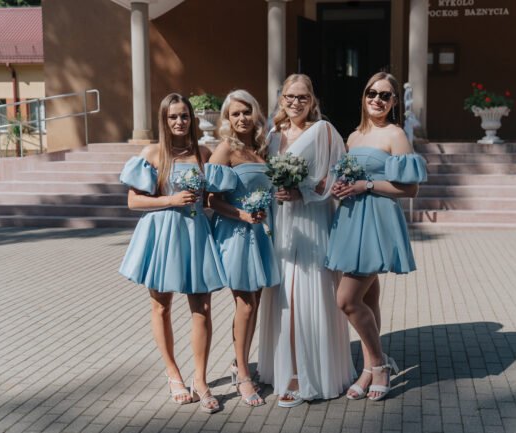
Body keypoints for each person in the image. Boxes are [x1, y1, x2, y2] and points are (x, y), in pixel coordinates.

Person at [118, 93, 225, 414]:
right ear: (164, 120)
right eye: (173, 117)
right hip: (162, 234)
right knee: (161, 306)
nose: (180, 122)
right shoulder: (152, 154)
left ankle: (201, 380)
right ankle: (173, 374)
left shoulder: (204, 154)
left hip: (195, 234)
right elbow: (133, 202)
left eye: (184, 116)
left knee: (202, 307)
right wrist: (170, 200)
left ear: (192, 119)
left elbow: (212, 198)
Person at [325, 72, 427, 400]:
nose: (377, 100)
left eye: (385, 95)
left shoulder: (395, 134)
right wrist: (340, 187)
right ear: (364, 96)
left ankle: (380, 365)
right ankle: (370, 368)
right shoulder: (353, 136)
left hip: (376, 220)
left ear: (395, 102)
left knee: (347, 300)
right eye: (372, 93)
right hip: (350, 219)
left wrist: (365, 185)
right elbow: (345, 177)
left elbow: (410, 188)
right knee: (368, 299)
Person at [258, 74, 355, 407]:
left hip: (312, 221)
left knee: (306, 293)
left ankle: (305, 373)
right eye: (290, 96)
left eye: (302, 97)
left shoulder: (324, 131)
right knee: (284, 294)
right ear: (281, 99)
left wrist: (305, 193)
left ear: (312, 100)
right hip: (282, 223)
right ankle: (283, 365)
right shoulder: (272, 135)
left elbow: (338, 174)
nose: (295, 103)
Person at [205, 90, 279, 407]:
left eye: (246, 111)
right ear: (227, 118)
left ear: (255, 114)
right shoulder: (226, 149)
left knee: (254, 302)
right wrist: (243, 215)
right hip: (235, 233)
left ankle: (240, 362)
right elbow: (211, 200)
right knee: (245, 304)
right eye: (235, 113)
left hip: (260, 234)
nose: (242, 118)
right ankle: (244, 376)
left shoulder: (261, 149)